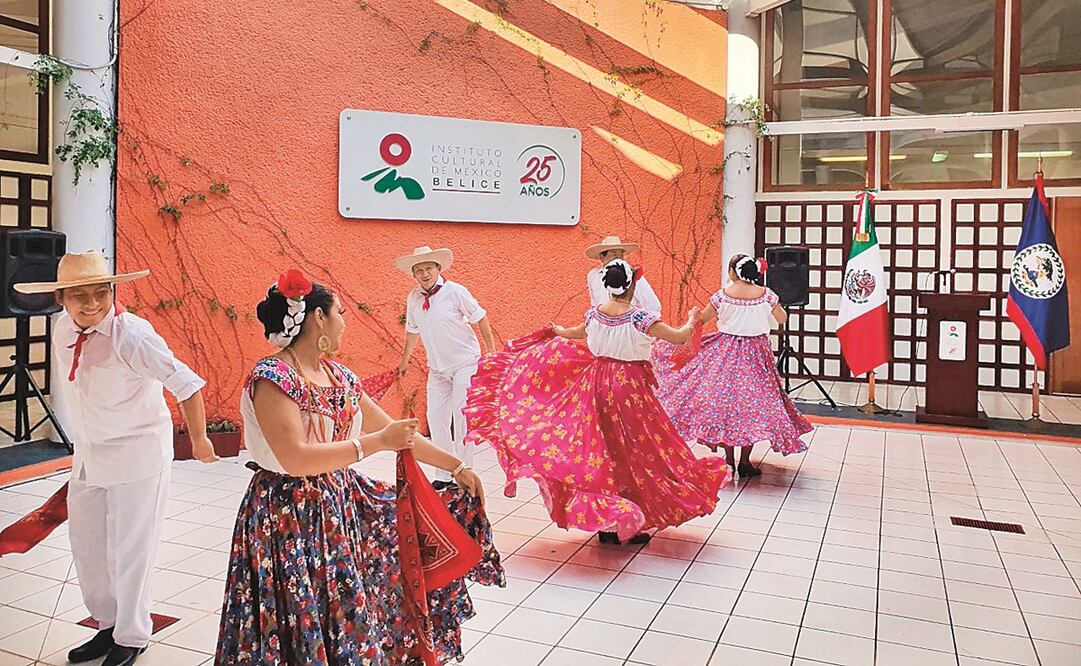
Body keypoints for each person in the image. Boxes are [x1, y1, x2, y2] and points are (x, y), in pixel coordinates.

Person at [216, 269, 503, 665]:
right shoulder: (274, 377)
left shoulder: (339, 377)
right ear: (318, 317)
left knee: (340, 604)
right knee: (299, 608)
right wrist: (373, 445)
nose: (344, 322)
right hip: (285, 514)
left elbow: (394, 432)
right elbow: (295, 458)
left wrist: (456, 467)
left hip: (336, 507)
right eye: (341, 312)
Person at [15, 251, 217, 666]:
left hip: (137, 456)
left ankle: (132, 635)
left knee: (130, 551)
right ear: (61, 299)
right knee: (87, 547)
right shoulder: (61, 329)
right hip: (90, 455)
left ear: (112, 291)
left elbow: (187, 384)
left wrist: (199, 440)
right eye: (79, 295)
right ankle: (107, 625)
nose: (91, 303)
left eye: (99, 293)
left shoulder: (133, 335)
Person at [467, 259, 729, 545]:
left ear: (608, 286)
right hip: (628, 388)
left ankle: (608, 522)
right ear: (631, 286)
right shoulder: (640, 318)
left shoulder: (595, 315)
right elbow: (680, 337)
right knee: (634, 452)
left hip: (597, 381)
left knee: (600, 448)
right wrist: (692, 319)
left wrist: (557, 330)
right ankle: (630, 517)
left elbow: (573, 333)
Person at [653, 254, 813, 477]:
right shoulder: (766, 295)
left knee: (726, 407)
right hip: (757, 354)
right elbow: (782, 319)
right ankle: (745, 462)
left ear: (732, 272)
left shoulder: (722, 296)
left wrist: (693, 319)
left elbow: (705, 319)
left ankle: (729, 461)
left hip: (725, 352)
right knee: (754, 408)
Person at [396, 246, 494, 486]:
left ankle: (465, 469)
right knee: (436, 416)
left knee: (461, 416)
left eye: (428, 268)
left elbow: (480, 317)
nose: (424, 274)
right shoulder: (414, 298)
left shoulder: (455, 292)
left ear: (438, 268)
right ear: (414, 275)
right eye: (419, 270)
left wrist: (491, 352)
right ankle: (443, 473)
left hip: (465, 362)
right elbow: (412, 330)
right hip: (438, 368)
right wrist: (404, 360)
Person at [585, 235, 661, 315]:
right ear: (602, 257)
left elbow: (653, 306)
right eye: (614, 254)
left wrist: (641, 324)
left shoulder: (632, 275)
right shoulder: (593, 276)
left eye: (621, 254)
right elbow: (594, 306)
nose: (618, 258)